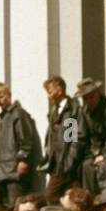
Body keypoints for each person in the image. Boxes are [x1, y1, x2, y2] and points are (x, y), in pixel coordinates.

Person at [0, 82, 41, 211]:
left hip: (13, 169)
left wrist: (23, 160)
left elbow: (26, 139)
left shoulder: (18, 114)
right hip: (4, 169)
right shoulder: (4, 117)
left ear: (9, 95)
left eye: (1, 97)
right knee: (6, 207)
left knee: (16, 204)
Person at [75, 79, 106, 196]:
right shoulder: (81, 110)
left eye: (90, 97)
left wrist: (104, 154)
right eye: (85, 98)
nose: (88, 101)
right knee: (86, 166)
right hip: (92, 150)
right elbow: (81, 136)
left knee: (104, 167)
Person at [43, 75, 82, 203]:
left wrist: (69, 162)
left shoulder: (71, 110)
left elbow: (72, 139)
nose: (48, 96)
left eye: (50, 92)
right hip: (57, 163)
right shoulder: (55, 110)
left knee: (51, 196)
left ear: (59, 90)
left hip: (66, 164)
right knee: (71, 198)